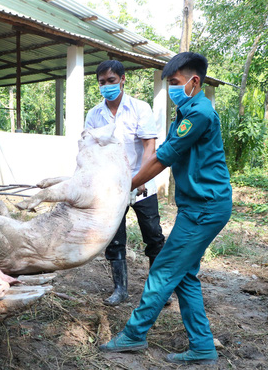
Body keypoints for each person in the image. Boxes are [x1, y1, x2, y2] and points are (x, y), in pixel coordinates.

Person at [98, 52, 232, 366]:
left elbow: (161, 158)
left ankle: (134, 334)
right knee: (184, 275)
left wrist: (125, 186)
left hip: (204, 208)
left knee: (163, 270)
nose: (171, 89)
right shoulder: (185, 112)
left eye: (174, 83)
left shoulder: (199, 113)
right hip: (196, 206)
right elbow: (159, 155)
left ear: (193, 82)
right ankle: (201, 346)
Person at [85, 60, 166, 306]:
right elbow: (91, 149)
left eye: (111, 81)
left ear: (122, 80)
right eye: (102, 83)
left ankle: (159, 291)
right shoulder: (94, 114)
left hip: (141, 183)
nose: (106, 86)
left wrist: (141, 179)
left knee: (153, 236)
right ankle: (120, 289)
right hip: (111, 187)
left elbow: (149, 146)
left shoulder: (139, 108)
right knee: (115, 236)